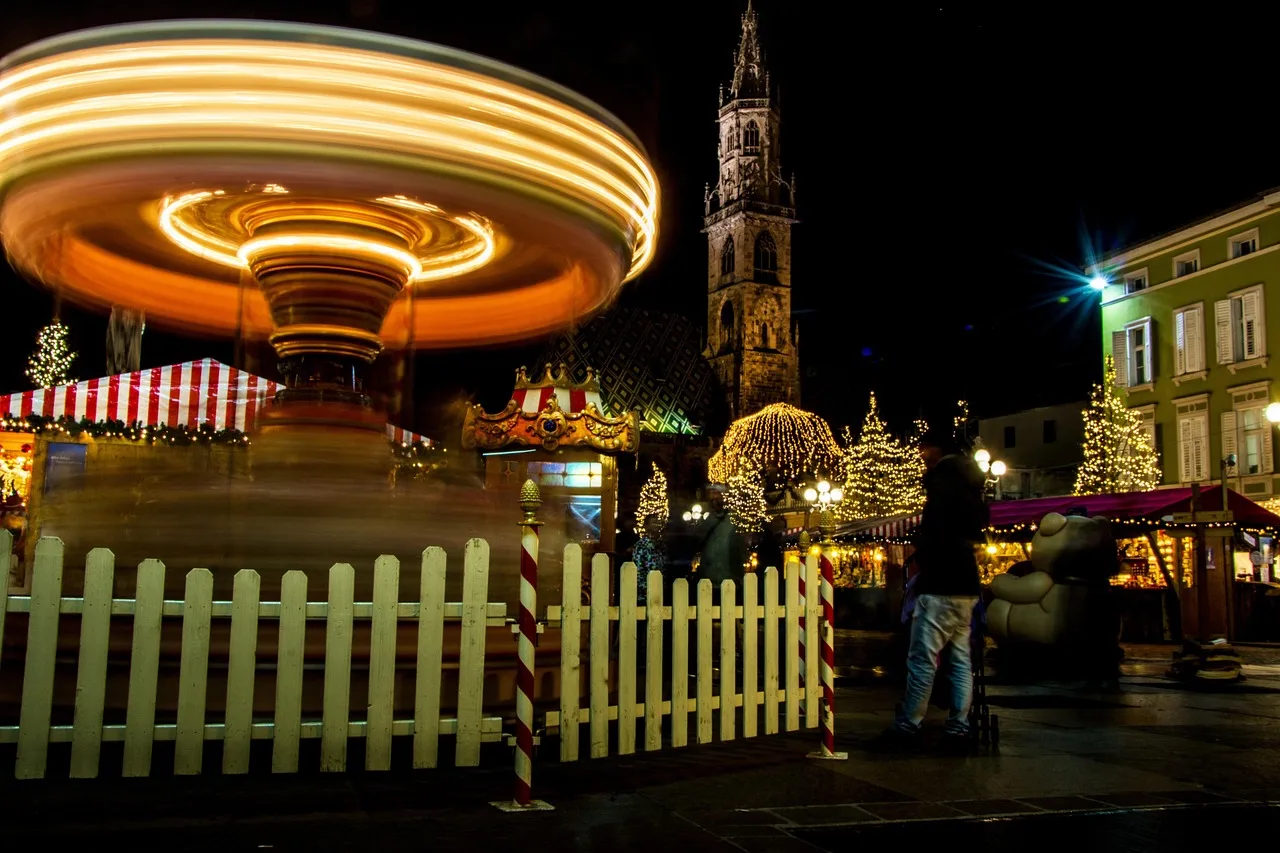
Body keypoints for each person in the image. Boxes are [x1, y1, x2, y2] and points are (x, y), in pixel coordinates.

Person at [887, 427, 988, 748]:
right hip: (966, 584)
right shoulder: (970, 482)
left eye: (924, 449)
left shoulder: (944, 480)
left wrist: (924, 554)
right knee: (960, 659)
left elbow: (937, 527)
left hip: (941, 581)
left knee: (922, 657)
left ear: (937, 449)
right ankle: (958, 725)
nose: (920, 455)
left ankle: (909, 723)